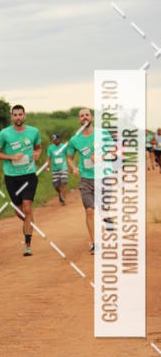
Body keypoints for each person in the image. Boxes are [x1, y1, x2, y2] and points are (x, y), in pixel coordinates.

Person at [0, 105, 42, 256]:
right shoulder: (4, 134)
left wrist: (37, 154)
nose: (18, 117)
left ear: (24, 116)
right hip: (11, 177)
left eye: (20, 114)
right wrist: (11, 157)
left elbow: (38, 147)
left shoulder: (33, 132)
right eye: (15, 115)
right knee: (19, 211)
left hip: (29, 175)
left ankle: (27, 244)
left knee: (27, 207)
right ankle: (29, 221)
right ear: (11, 117)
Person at [66, 108, 114, 254]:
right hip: (86, 179)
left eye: (87, 115)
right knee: (89, 211)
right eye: (82, 116)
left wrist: (101, 158)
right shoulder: (75, 140)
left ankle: (107, 217)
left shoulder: (102, 134)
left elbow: (114, 151)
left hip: (103, 177)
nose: (84, 117)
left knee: (103, 209)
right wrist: (73, 167)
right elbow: (69, 157)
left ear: (91, 117)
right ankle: (94, 244)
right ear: (79, 119)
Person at [45, 133, 68, 204]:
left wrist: (71, 167)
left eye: (56, 140)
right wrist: (47, 165)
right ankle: (60, 193)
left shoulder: (64, 147)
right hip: (55, 169)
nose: (55, 141)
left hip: (63, 167)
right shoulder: (50, 148)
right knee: (56, 186)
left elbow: (68, 156)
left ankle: (63, 200)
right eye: (54, 140)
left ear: (60, 139)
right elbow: (48, 158)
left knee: (63, 183)